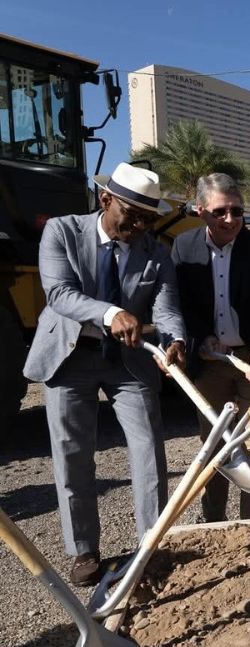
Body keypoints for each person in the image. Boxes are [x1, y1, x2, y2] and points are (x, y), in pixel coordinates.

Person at [23, 162, 186, 586]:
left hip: (128, 361)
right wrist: (112, 313)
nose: (139, 226)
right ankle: (84, 549)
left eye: (147, 219)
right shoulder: (61, 231)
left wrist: (174, 340)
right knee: (73, 454)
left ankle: (151, 544)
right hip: (69, 355)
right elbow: (59, 293)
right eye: (131, 215)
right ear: (105, 199)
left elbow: (166, 308)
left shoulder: (155, 252)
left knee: (148, 448)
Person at [172, 173, 250, 522]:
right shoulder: (184, 247)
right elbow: (182, 304)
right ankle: (214, 521)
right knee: (214, 445)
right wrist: (202, 336)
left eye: (237, 211)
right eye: (220, 212)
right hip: (210, 362)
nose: (230, 219)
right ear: (200, 210)